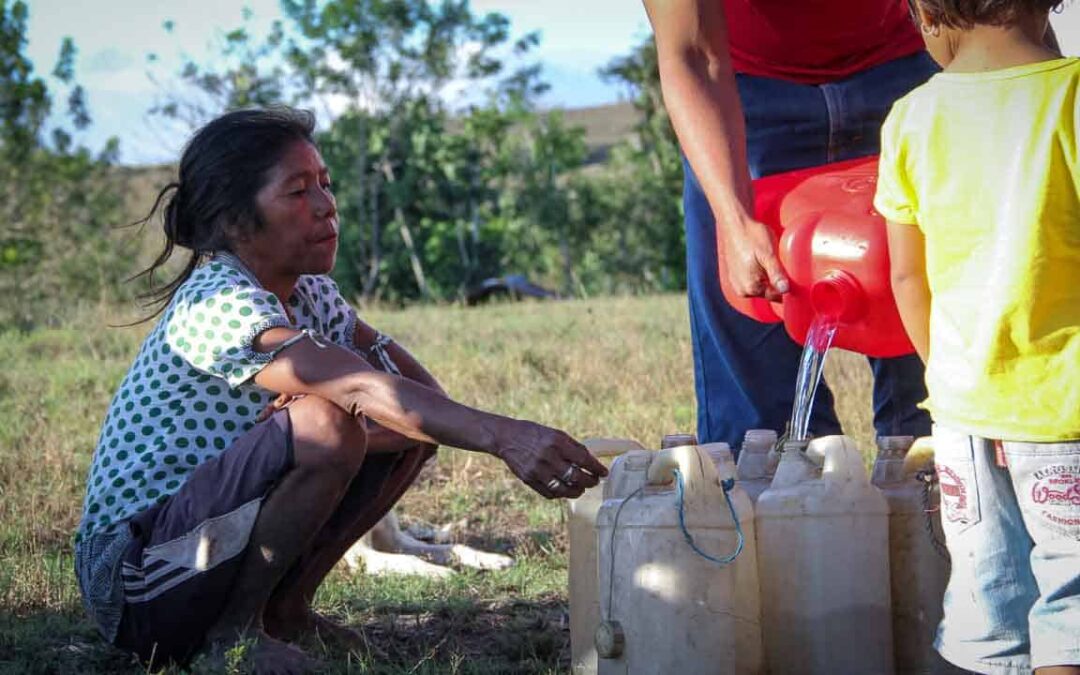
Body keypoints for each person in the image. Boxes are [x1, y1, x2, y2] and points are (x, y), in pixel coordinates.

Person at [73, 107, 607, 673]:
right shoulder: (217, 300)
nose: (327, 205)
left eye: (325, 184)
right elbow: (359, 386)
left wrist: (347, 414)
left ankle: (285, 609)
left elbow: (417, 393)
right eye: (298, 191)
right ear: (234, 221)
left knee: (400, 426)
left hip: (198, 549)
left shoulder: (310, 293)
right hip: (135, 580)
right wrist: (506, 438)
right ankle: (231, 636)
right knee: (329, 423)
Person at [877, 1, 1080, 672]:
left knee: (989, 617)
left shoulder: (909, 119)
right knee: (1072, 614)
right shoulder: (1071, 96)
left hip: (964, 419)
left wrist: (958, 381)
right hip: (1066, 413)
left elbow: (907, 278)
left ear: (925, 14)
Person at [642, 0, 943, 450]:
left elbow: (1005, 18)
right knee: (761, 437)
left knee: (944, 382)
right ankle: (792, 505)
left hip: (908, 65)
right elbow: (692, 52)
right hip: (740, 96)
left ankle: (938, 502)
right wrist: (735, 216)